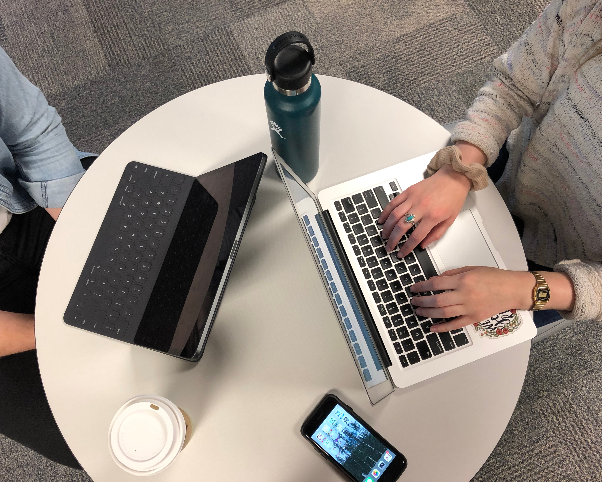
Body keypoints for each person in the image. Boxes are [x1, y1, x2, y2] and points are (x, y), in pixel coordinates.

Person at [379, 0, 602, 332]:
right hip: (511, 176)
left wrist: (517, 289)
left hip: (560, 275)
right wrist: (459, 169)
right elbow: (514, 84)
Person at [0, 46, 92, 469]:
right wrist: (54, 331)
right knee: (98, 436)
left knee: (202, 246)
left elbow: (31, 132)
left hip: (22, 205)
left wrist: (83, 227)